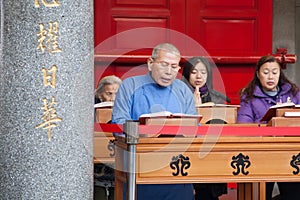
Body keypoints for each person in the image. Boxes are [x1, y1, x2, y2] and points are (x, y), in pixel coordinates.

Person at [111, 43, 196, 200]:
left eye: (174, 66)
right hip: (140, 164)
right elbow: (118, 124)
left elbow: (193, 127)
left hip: (176, 165)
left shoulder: (183, 89)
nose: (168, 71)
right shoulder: (130, 85)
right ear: (150, 63)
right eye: (164, 64)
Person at [237, 55, 300, 200]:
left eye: (274, 72)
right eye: (265, 73)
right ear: (258, 74)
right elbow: (243, 125)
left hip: (289, 151)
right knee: (260, 194)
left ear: (280, 74)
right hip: (262, 151)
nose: (270, 77)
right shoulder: (249, 96)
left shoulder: (293, 93)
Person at [182, 56, 229, 200]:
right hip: (186, 150)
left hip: (210, 150)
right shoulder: (178, 95)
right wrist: (194, 108)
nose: (199, 76)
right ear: (187, 74)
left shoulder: (218, 98)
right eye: (194, 72)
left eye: (203, 72)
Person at [94, 75, 122, 200]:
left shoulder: (125, 109)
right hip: (96, 171)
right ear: (100, 94)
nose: (113, 98)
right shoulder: (91, 110)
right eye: (109, 93)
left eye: (116, 94)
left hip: (119, 170)